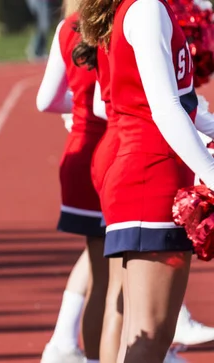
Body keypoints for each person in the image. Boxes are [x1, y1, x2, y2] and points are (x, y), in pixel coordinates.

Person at [78, 0, 214, 361]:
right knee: (151, 335)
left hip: (141, 165)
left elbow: (180, 103)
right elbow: (165, 107)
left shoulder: (136, 7)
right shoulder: (147, 7)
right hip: (150, 171)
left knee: (139, 330)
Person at [36, 0, 108, 361]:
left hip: (78, 155)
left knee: (103, 274)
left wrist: (78, 102)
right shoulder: (121, 21)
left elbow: (45, 101)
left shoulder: (67, 28)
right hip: (115, 154)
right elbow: (110, 103)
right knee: (118, 281)